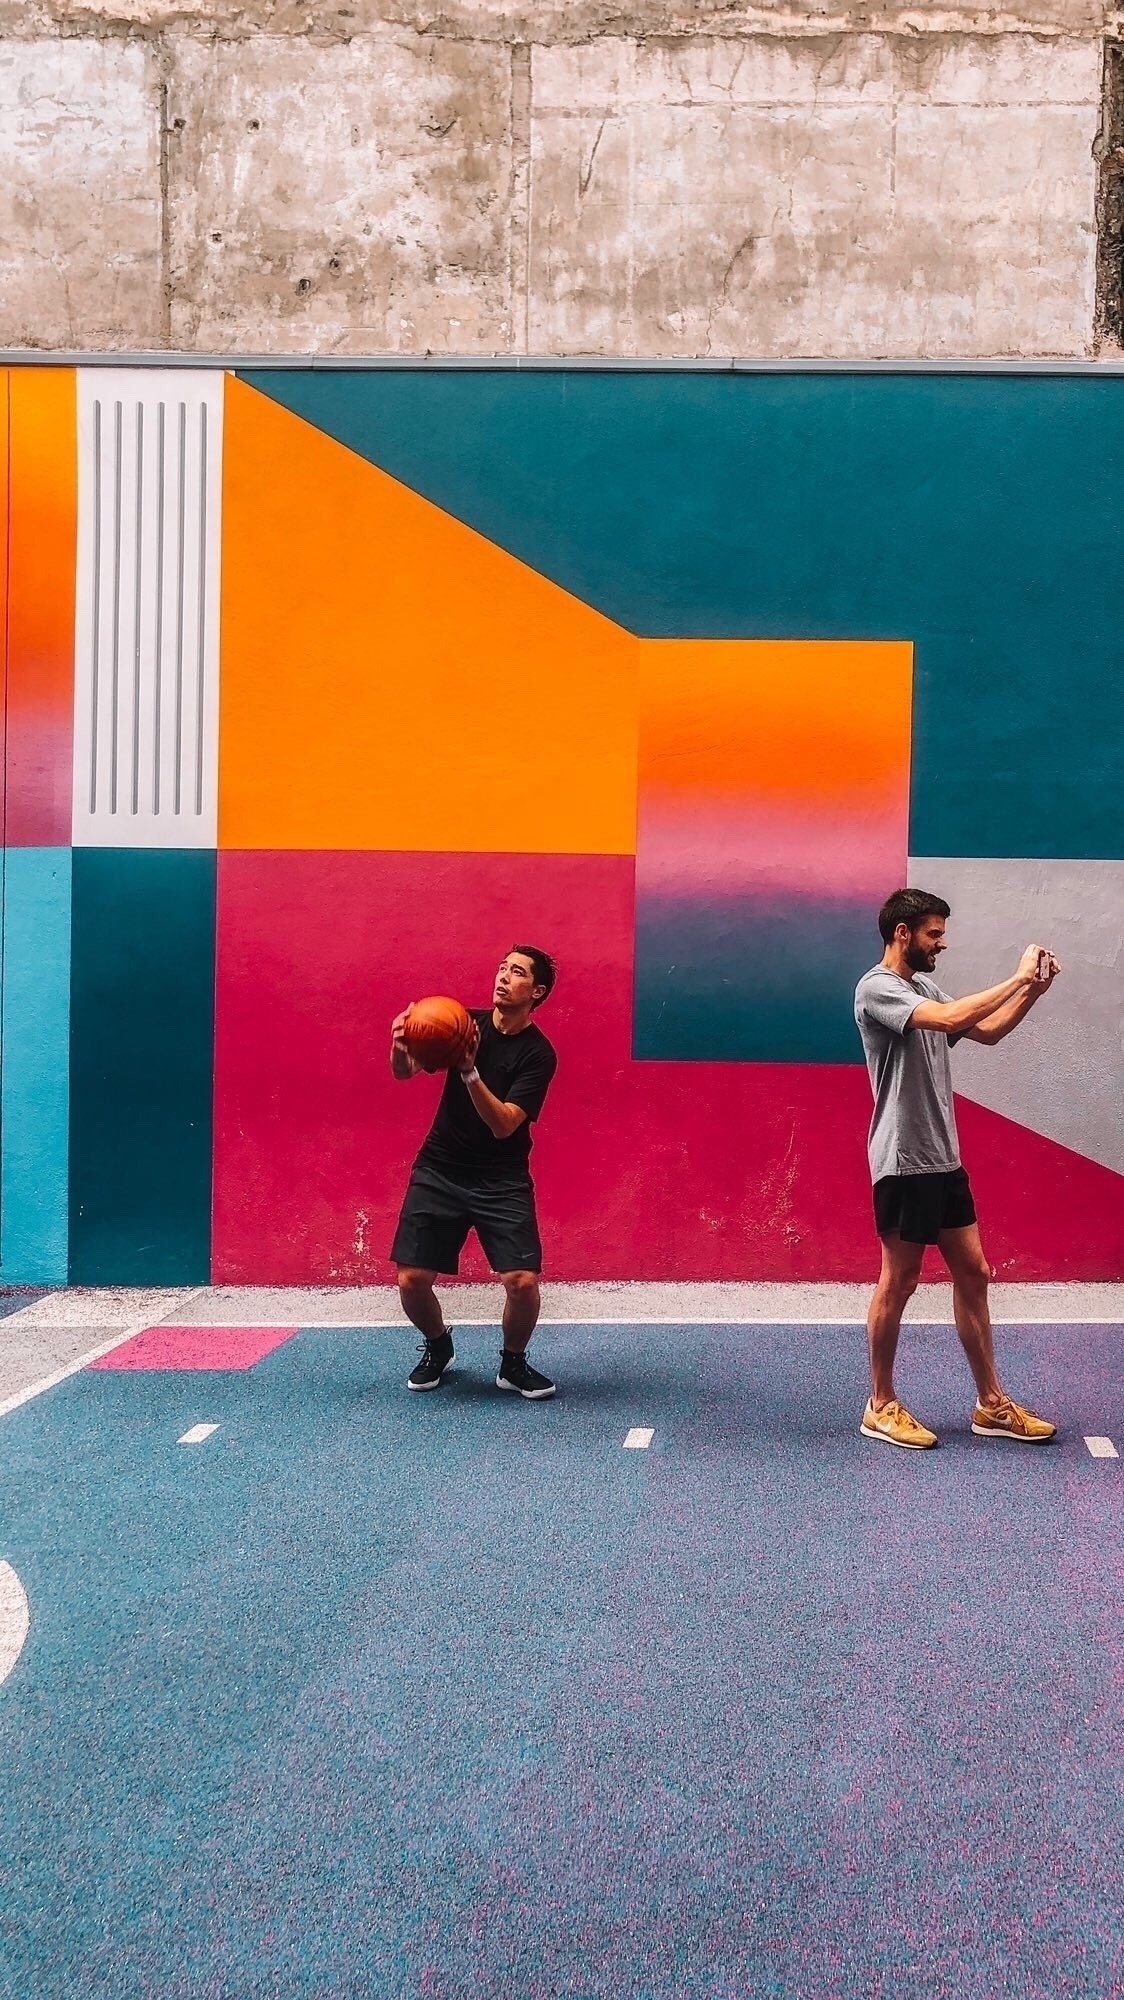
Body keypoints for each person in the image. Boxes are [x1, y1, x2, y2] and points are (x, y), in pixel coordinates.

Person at [853, 888, 1059, 1450]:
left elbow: (985, 1029)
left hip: (944, 1160)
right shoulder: (878, 988)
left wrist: (1033, 992)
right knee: (900, 1281)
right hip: (903, 1160)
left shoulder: (923, 985)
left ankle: (990, 1403)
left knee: (975, 1273)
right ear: (902, 933)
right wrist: (1015, 977)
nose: (941, 943)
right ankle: (880, 1403)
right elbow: (949, 1016)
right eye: (934, 934)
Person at [389, 946, 559, 1400]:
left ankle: (513, 1364)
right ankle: (438, 1346)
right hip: (440, 1166)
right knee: (411, 1279)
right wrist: (400, 1045)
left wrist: (469, 1073)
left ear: (536, 991)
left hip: (500, 1177)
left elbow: (505, 1124)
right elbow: (406, 1073)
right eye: (502, 968)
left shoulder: (539, 1054)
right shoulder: (463, 1025)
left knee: (521, 1282)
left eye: (517, 972)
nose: (503, 976)